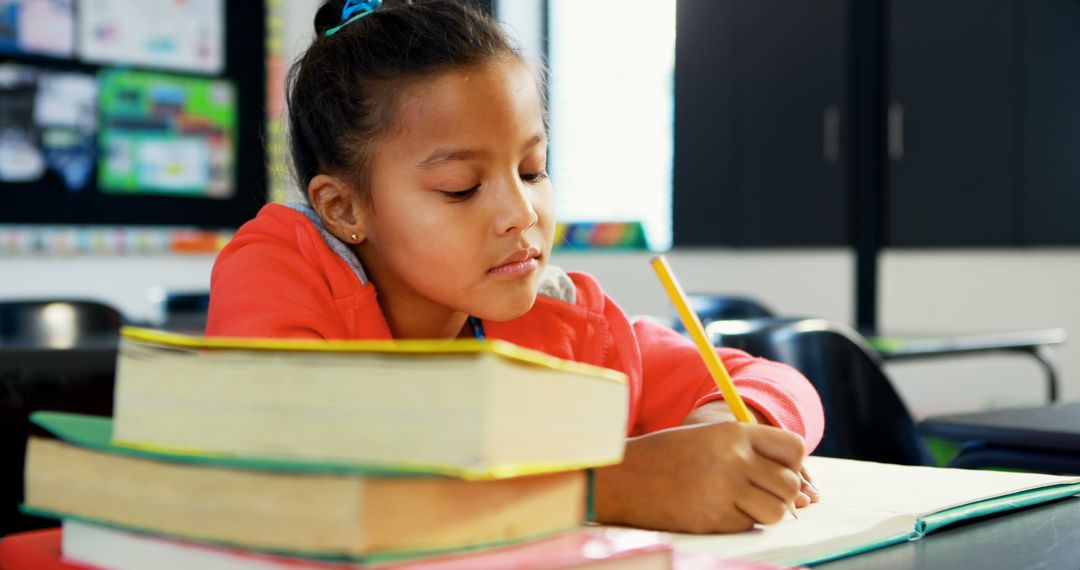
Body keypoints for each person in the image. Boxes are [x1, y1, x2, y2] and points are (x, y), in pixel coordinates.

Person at [207, 0, 824, 534]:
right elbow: (289, 456)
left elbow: (775, 382)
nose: (520, 212)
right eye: (460, 187)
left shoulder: (561, 318)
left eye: (532, 170)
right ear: (343, 208)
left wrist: (719, 429)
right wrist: (602, 488)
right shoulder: (281, 269)